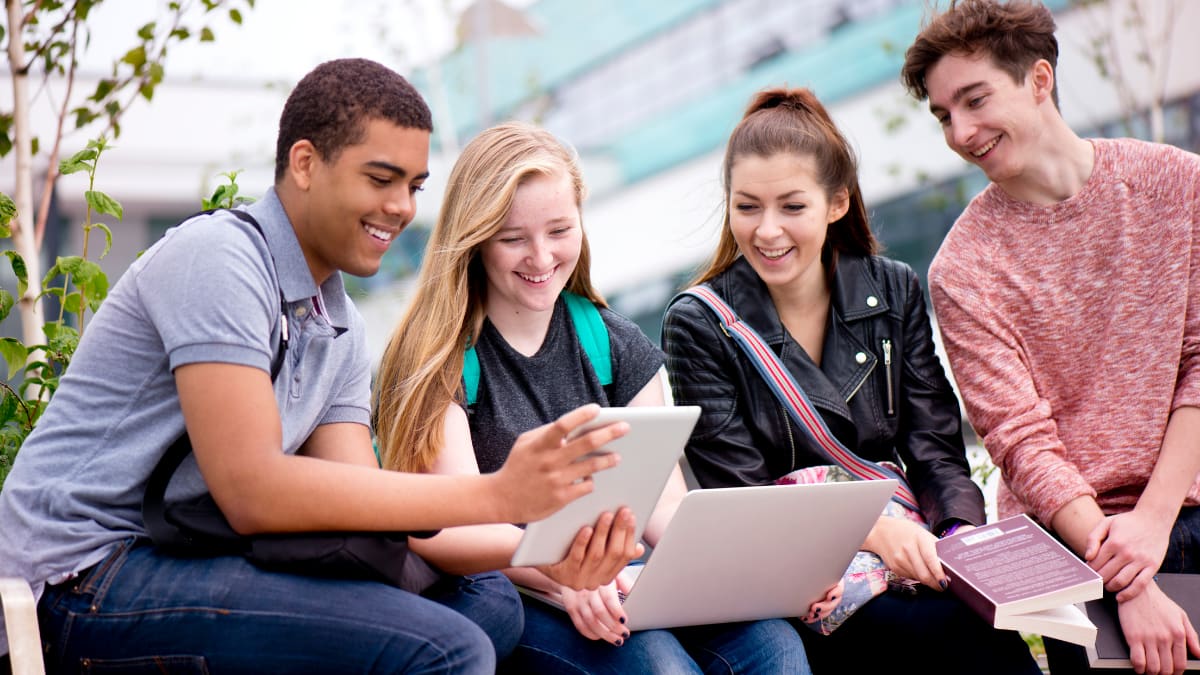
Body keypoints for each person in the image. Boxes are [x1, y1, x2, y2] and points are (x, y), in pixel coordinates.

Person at [0, 58, 638, 674]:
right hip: (80, 572)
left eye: (413, 187)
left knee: (487, 607)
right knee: (447, 649)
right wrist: (499, 495)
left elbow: (359, 508)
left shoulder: (337, 322)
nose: (401, 208)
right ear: (305, 163)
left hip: (192, 555)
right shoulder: (219, 259)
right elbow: (251, 491)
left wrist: (551, 551)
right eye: (380, 179)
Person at [374, 120, 825, 674]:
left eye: (559, 231)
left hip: (616, 578)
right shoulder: (440, 360)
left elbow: (661, 504)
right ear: (474, 240)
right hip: (513, 593)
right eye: (513, 238)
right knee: (657, 665)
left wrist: (761, 575)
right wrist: (563, 576)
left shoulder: (611, 341)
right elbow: (453, 530)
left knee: (774, 647)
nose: (541, 258)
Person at [660, 86, 1042, 674]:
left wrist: (959, 540)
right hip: (801, 575)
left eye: (792, 206)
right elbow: (739, 497)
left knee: (984, 628)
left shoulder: (892, 288)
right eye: (747, 207)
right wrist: (872, 534)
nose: (766, 231)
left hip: (913, 546)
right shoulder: (700, 323)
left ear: (836, 203)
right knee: (939, 637)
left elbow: (935, 450)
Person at [900, 2, 1200, 674]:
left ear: (1040, 80)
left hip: (1180, 507)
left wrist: (1150, 526)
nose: (961, 131)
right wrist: (1131, 579)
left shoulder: (1179, 185)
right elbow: (1021, 442)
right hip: (1069, 545)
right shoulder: (962, 270)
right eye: (944, 114)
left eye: (975, 100)